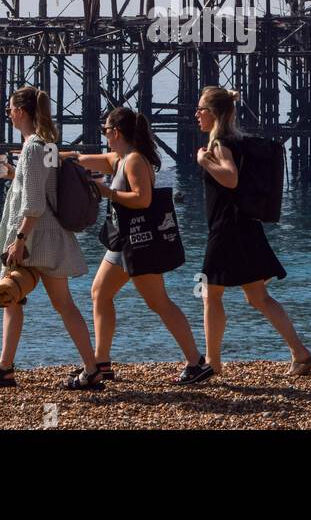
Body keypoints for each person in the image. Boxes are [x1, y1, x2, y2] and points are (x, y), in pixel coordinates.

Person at [66, 107, 211, 385]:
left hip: (138, 240)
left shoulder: (133, 161)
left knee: (158, 302)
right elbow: (80, 159)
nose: (104, 135)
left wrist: (107, 192)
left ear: (116, 132)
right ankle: (102, 361)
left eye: (106, 130)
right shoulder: (119, 159)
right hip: (124, 240)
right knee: (101, 292)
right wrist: (45, 158)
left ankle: (196, 362)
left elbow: (142, 200)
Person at [0, 86, 102, 390]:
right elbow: (41, 186)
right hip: (50, 238)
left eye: (10, 109)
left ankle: (6, 369)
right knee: (62, 304)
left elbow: (34, 205)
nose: (7, 113)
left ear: (20, 112)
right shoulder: (46, 144)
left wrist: (18, 240)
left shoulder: (32, 148)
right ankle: (90, 368)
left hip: (32, 239)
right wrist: (12, 175)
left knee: (9, 296)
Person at [194, 86, 311, 376]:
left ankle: (213, 363)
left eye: (201, 110)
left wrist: (204, 162)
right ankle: (300, 353)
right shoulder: (236, 141)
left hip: (227, 229)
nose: (196, 115)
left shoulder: (220, 143)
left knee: (211, 295)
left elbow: (231, 179)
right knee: (257, 297)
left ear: (214, 114)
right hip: (244, 226)